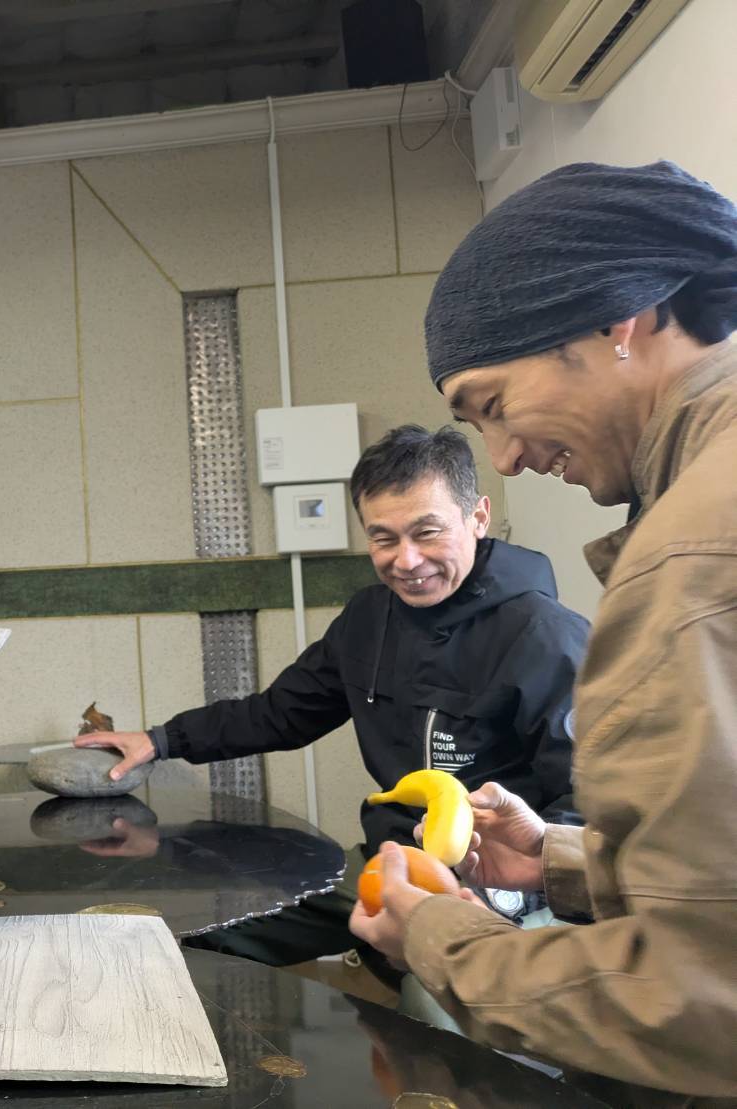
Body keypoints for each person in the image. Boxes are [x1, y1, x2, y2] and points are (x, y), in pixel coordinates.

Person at [349, 161, 737, 1101]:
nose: (507, 455)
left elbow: (700, 999)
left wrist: (440, 936)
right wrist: (567, 859)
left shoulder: (690, 553)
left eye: (493, 406)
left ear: (617, 319)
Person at [77, 425, 587, 967]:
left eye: (427, 532)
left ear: (478, 517)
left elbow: (590, 803)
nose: (407, 561)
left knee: (436, 999)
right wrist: (161, 740)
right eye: (383, 539)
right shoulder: (369, 619)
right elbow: (280, 714)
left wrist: (526, 886)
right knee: (211, 933)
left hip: (504, 882)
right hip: (388, 860)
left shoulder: (547, 636)